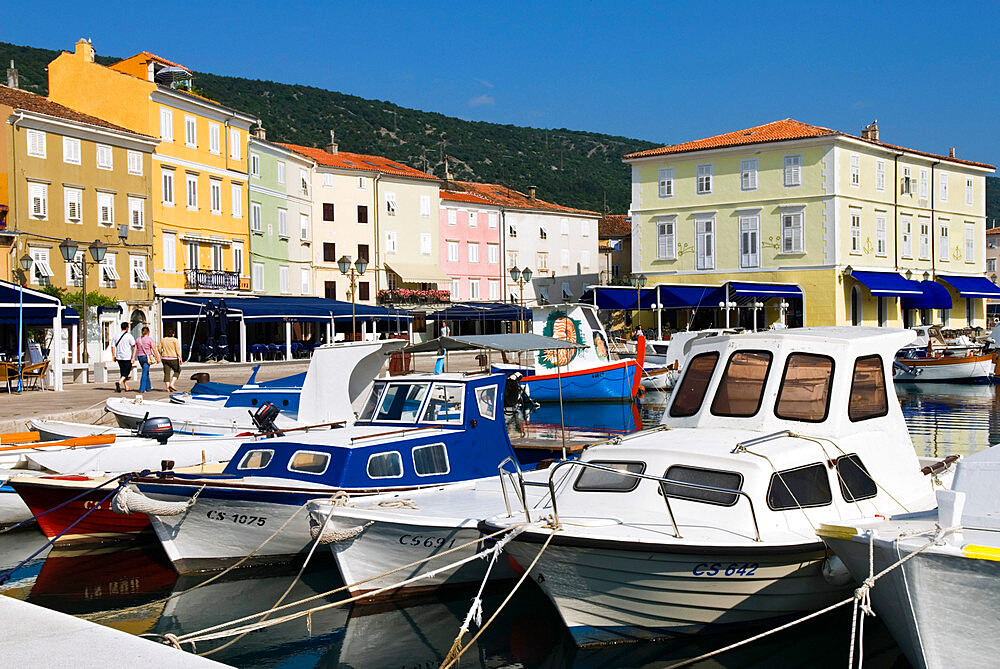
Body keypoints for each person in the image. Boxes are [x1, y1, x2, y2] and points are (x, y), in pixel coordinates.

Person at [113, 322, 136, 393]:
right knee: (126, 373)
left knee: (122, 371)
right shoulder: (129, 336)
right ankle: (119, 383)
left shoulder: (116, 335)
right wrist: (133, 357)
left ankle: (126, 387)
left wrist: (113, 355)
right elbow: (134, 346)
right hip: (127, 357)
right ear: (127, 328)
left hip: (119, 356)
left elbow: (112, 346)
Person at [134, 326, 158, 393]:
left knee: (146, 371)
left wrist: (133, 357)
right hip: (147, 357)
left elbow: (135, 349)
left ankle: (148, 387)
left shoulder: (138, 339)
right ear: (148, 332)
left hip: (139, 356)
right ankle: (142, 388)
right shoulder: (150, 339)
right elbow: (153, 348)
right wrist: (157, 357)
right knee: (144, 372)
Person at [158, 327, 182, 392]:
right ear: (173, 334)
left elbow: (159, 348)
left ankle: (168, 388)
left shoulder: (163, 340)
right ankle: (172, 384)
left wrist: (162, 353)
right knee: (177, 370)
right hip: (173, 358)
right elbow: (177, 350)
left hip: (165, 358)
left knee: (167, 373)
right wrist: (180, 357)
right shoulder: (175, 340)